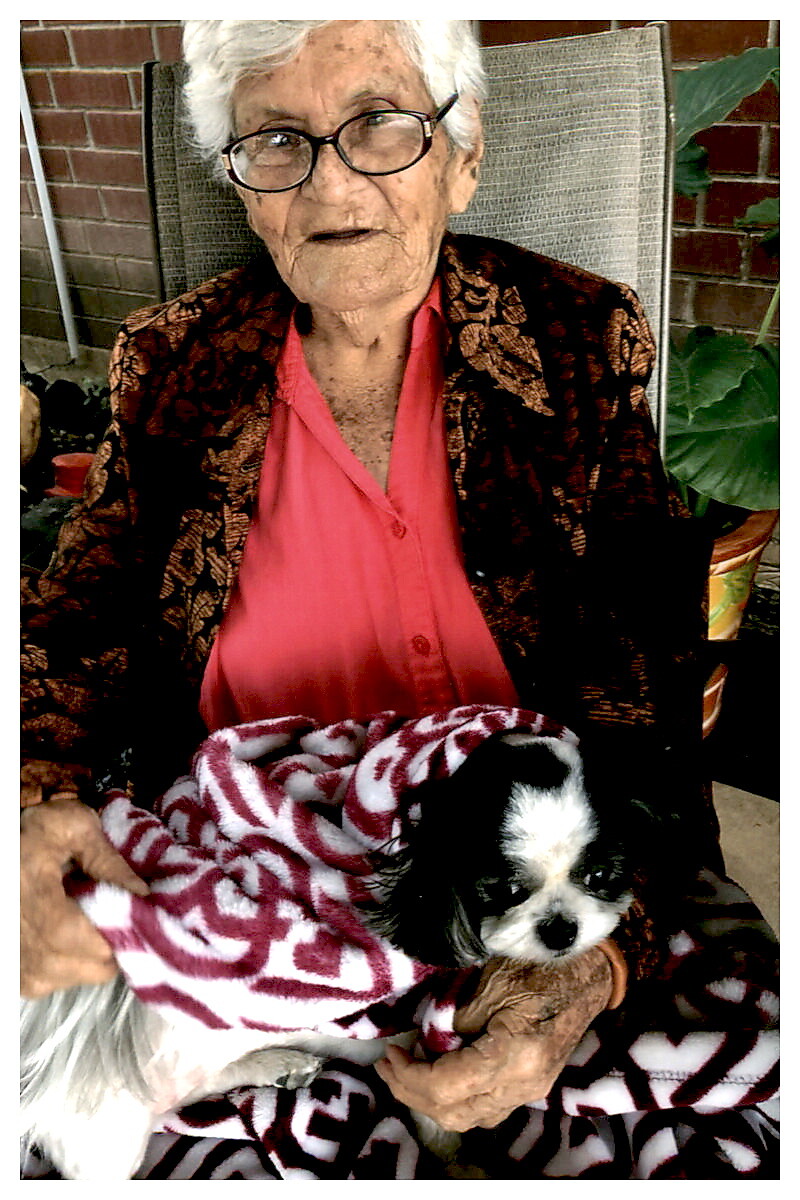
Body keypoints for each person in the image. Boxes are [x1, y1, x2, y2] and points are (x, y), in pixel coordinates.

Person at [22, 19, 764, 1180]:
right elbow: (73, 630)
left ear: (461, 157)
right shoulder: (171, 365)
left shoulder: (572, 337)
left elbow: (642, 694)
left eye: (378, 124)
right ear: (242, 185)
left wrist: (588, 962)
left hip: (526, 874)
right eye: (276, 140)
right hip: (246, 878)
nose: (329, 182)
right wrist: (34, 810)